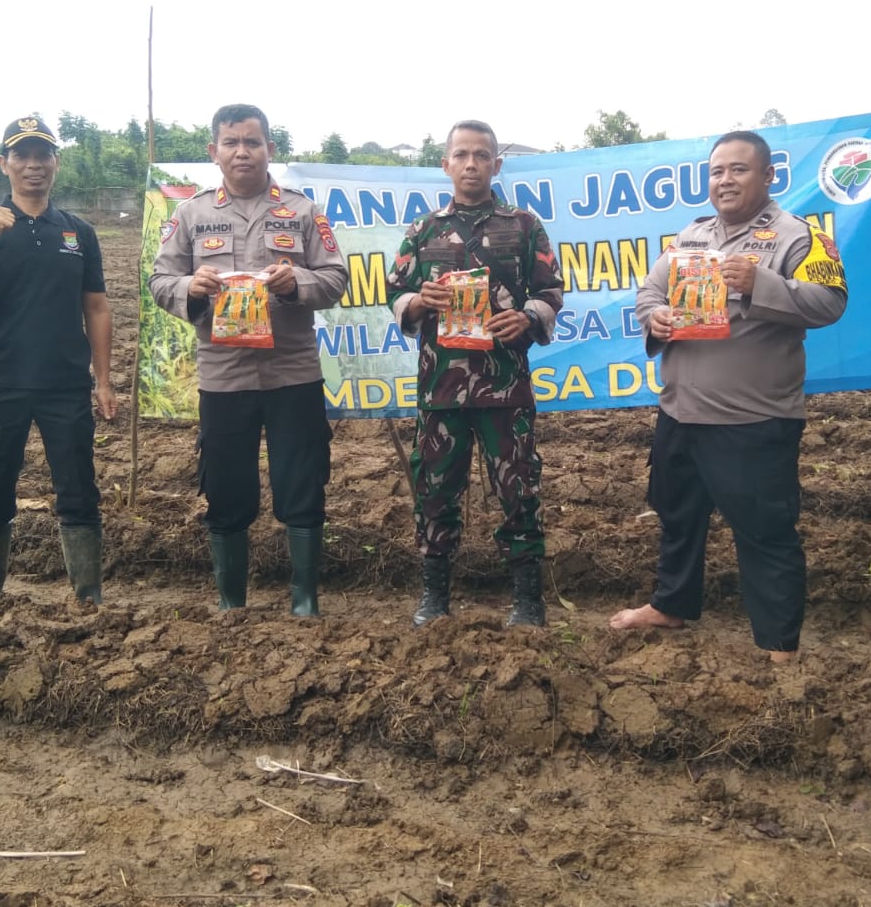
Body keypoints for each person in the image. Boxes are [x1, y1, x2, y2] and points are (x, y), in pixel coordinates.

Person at [609, 130, 847, 662]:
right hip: (680, 410)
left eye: (739, 169)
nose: (725, 179)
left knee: (764, 529)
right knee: (677, 514)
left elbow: (830, 303)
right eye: (717, 171)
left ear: (768, 176)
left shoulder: (801, 238)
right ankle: (670, 606)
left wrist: (758, 285)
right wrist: (658, 317)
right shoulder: (691, 237)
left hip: (752, 419)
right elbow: (649, 292)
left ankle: (779, 643)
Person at [148, 104, 347, 618]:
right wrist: (190, 287)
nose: (243, 152)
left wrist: (295, 282)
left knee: (302, 483)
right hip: (224, 377)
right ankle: (230, 600)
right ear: (213, 152)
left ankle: (304, 600)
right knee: (226, 488)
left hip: (292, 373)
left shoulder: (303, 212)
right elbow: (159, 281)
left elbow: (335, 278)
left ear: (269, 150)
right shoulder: (191, 214)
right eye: (232, 142)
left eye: (253, 142)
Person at [386, 120, 564, 627]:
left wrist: (528, 316)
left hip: (505, 386)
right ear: (445, 165)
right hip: (440, 387)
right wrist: (419, 300)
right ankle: (434, 596)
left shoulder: (524, 226)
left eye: (481, 155)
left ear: (496, 165)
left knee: (519, 489)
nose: (471, 164)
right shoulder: (423, 231)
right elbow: (393, 293)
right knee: (435, 488)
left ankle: (528, 599)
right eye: (461, 154)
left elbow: (552, 291)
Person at [0, 115, 117, 614]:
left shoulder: (77, 232)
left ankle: (88, 591)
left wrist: (103, 381)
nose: (34, 165)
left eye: (44, 155)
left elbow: (97, 308)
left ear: (56, 163)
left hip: (65, 385)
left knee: (79, 487)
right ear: (5, 164)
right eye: (22, 155)